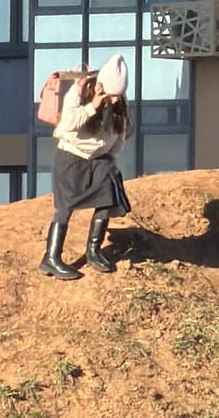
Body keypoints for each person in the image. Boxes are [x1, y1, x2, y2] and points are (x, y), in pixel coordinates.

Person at [38, 53, 133, 281]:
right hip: (71, 155)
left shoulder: (118, 101)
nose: (114, 100)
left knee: (108, 196)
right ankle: (51, 258)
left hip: (99, 158)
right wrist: (94, 105)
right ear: (101, 86)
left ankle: (94, 251)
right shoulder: (79, 91)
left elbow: (119, 132)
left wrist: (112, 157)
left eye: (117, 96)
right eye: (111, 95)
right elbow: (67, 125)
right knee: (65, 206)